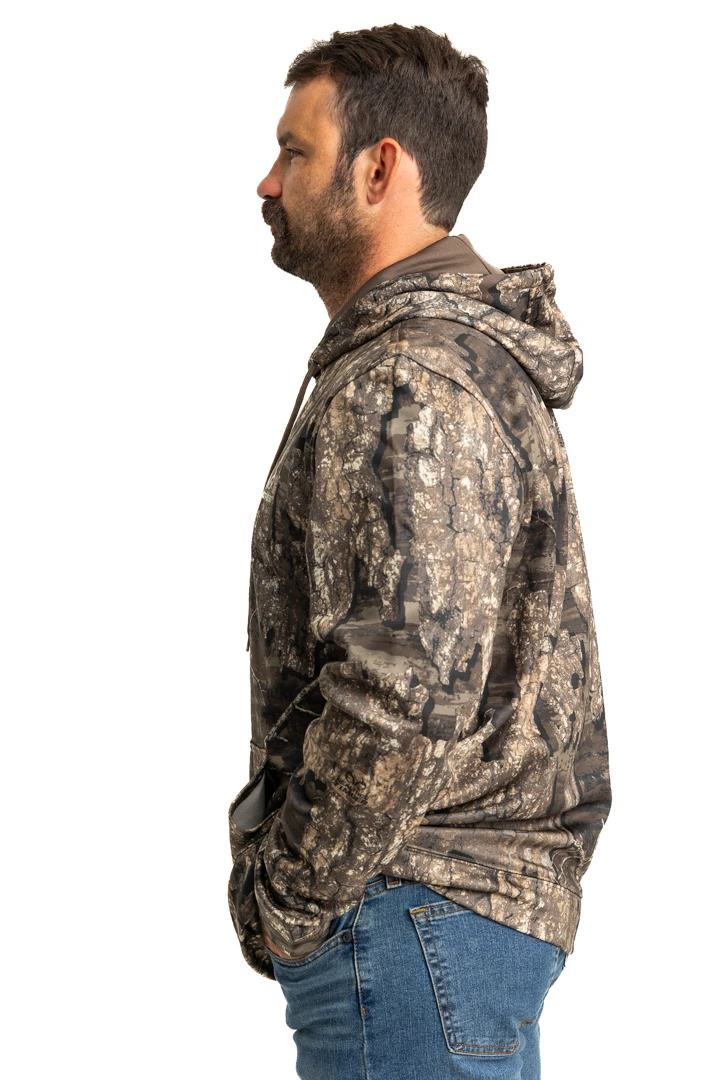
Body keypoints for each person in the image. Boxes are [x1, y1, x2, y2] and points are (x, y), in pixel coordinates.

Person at [227, 23, 611, 1080]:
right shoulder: (462, 363)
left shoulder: (413, 379)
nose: (267, 181)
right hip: (454, 929)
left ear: (378, 168)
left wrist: (293, 897)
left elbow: (401, 684)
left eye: (295, 150)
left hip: (409, 923)